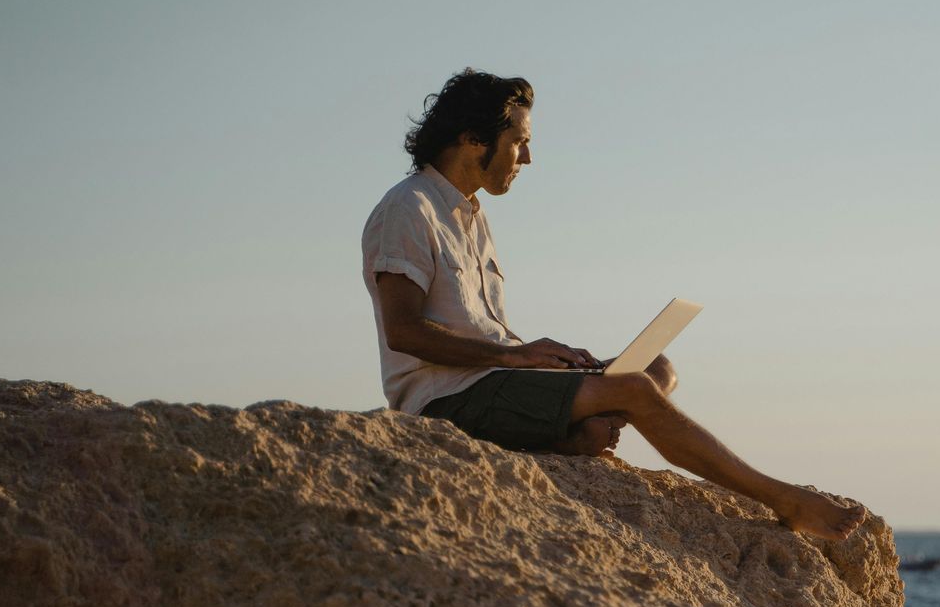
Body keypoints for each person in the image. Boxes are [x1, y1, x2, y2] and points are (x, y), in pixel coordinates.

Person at [361, 69, 867, 541]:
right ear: (473, 138)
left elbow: (480, 329)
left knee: (655, 366)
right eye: (519, 143)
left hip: (495, 382)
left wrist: (537, 358)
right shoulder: (410, 207)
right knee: (637, 392)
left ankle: (573, 438)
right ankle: (782, 498)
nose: (528, 159)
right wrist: (518, 355)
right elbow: (403, 332)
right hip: (447, 401)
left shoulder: (472, 217)